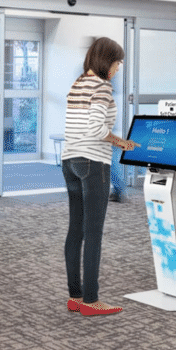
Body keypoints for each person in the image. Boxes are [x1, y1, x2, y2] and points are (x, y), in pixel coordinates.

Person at [62, 37, 137, 316]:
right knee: (94, 233)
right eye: (118, 63)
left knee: (76, 231)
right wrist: (121, 142)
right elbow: (96, 128)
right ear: (108, 61)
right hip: (93, 162)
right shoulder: (103, 87)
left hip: (70, 160)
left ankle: (76, 297)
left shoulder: (79, 83)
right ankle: (91, 301)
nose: (118, 68)